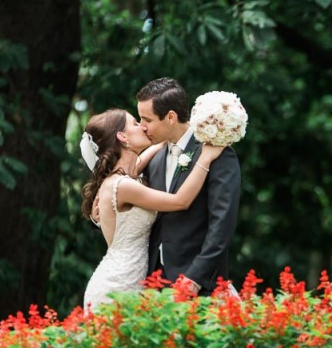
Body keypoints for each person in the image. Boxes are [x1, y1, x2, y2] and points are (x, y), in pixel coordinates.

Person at [80, 108, 224, 310]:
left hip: (132, 282)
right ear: (122, 136)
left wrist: (177, 131)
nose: (143, 126)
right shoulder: (122, 185)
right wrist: (205, 158)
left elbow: (144, 157)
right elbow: (180, 201)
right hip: (118, 285)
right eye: (135, 124)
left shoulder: (126, 175)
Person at [136, 77, 242, 297]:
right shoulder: (153, 159)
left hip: (201, 286)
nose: (141, 127)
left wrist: (195, 277)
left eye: (147, 119)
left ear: (171, 117)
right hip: (157, 284)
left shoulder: (216, 152)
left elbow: (222, 223)